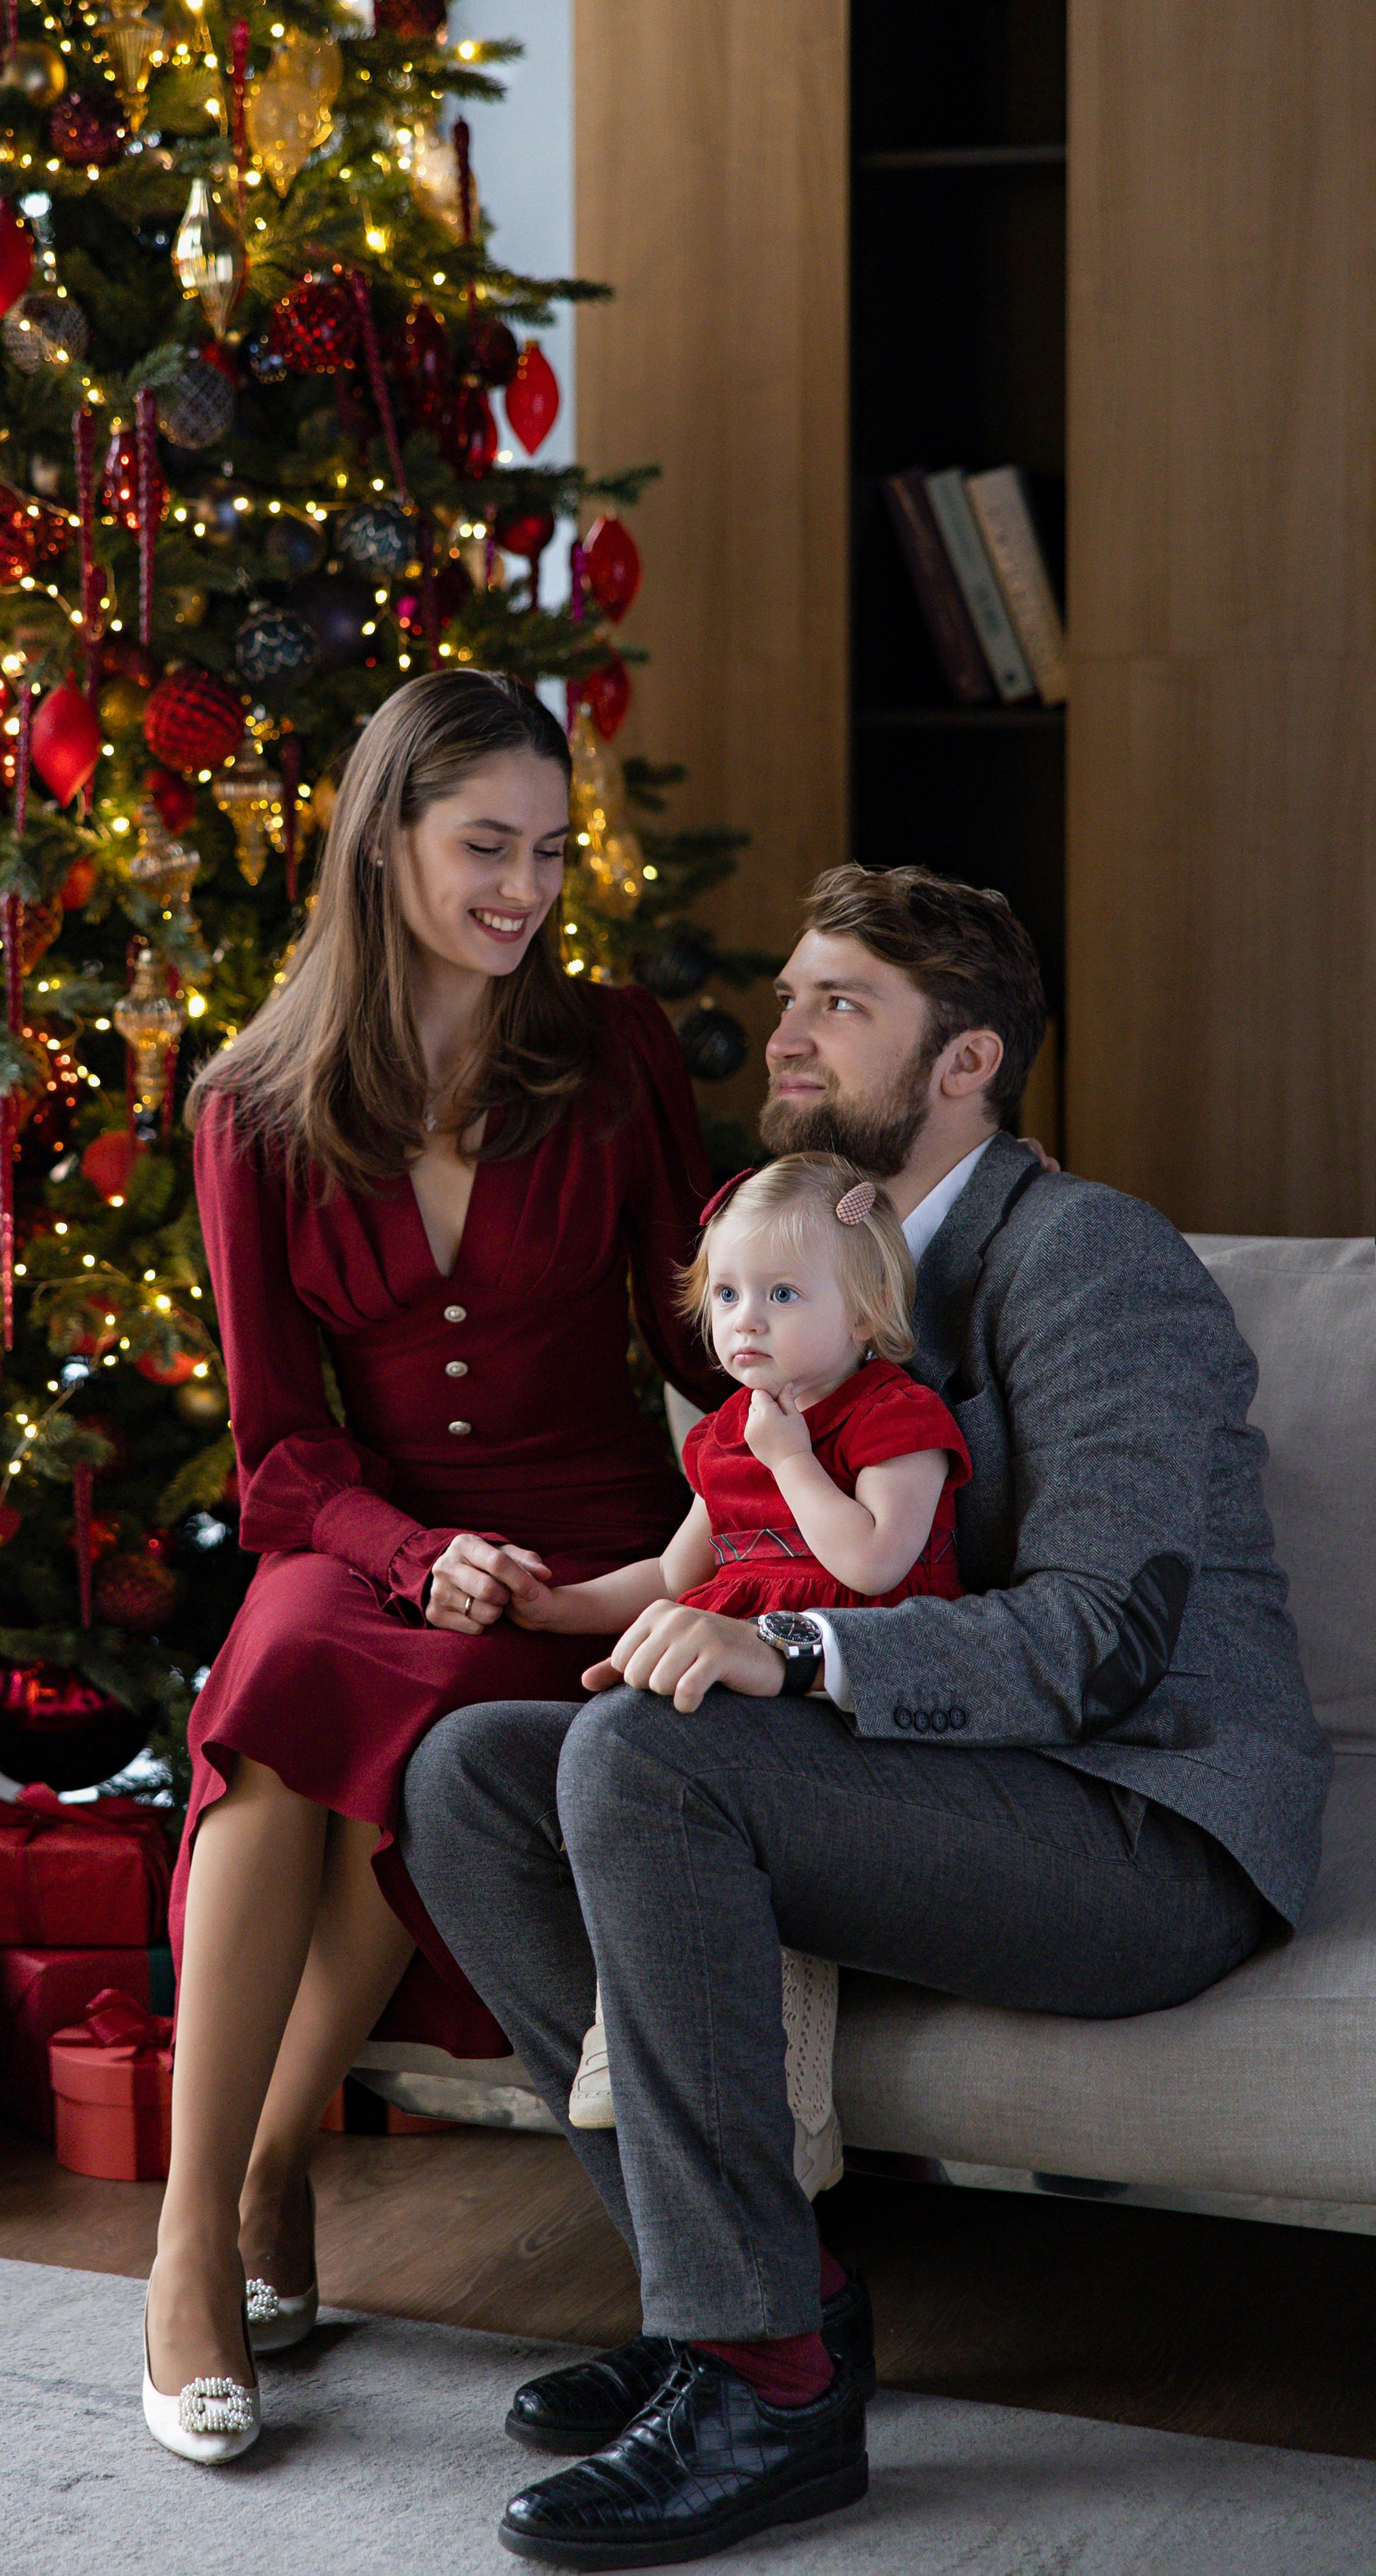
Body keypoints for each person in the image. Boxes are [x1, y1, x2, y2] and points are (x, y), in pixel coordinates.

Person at [400, 861, 1332, 2570]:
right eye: (786, 997)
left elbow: (1107, 1636)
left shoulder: (1085, 1258)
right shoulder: (803, 1283)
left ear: (967, 1060)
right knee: (470, 1775)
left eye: (842, 1000)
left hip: (1133, 1826)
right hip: (931, 1803)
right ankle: (760, 2312)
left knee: (646, 1748)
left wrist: (803, 1662)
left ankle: (761, 2392)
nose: (788, 1030)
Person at [141, 669, 726, 2465]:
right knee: (288, 1676)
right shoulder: (248, 1103)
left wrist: (744, 1522)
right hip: (369, 1528)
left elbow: (701, 1342)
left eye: (547, 851)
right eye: (484, 846)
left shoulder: (614, 1050)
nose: (524, 889)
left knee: (431, 1761)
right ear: (379, 837)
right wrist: (414, 1549)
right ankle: (184, 2250)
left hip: (592, 1550)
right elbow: (276, 1454)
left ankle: (266, 2167)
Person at [479, 1152, 968, 2193]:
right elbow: (673, 1570)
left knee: (719, 1803)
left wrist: (793, 1462)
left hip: (853, 1700)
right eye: (729, 1294)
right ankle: (627, 2028)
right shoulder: (722, 1436)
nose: (747, 1320)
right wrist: (560, 1604)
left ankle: (790, 2110)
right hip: (729, 1680)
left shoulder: (894, 1417)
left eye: (784, 1295)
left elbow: (876, 1560)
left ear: (871, 1311)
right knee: (615, 1781)